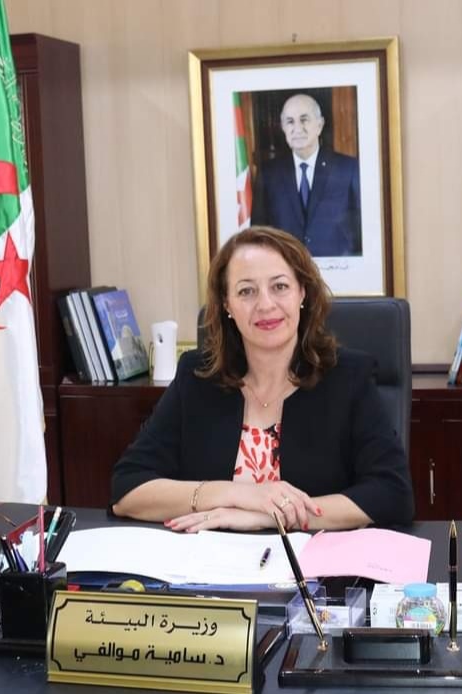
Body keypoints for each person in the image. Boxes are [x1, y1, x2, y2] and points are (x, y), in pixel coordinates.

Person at [110, 226, 413, 532]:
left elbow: (392, 494)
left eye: (280, 286)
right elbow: (127, 489)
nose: (266, 305)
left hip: (310, 559)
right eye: (246, 291)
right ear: (227, 304)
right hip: (212, 557)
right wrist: (237, 495)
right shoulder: (197, 377)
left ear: (302, 292)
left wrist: (269, 517)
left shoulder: (348, 378)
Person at [251, 93, 361, 257]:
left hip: (337, 268)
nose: (297, 128)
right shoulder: (268, 174)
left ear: (319, 125)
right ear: (283, 127)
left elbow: (362, 230)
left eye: (304, 120)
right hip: (286, 268)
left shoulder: (348, 168)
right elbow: (258, 234)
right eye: (290, 121)